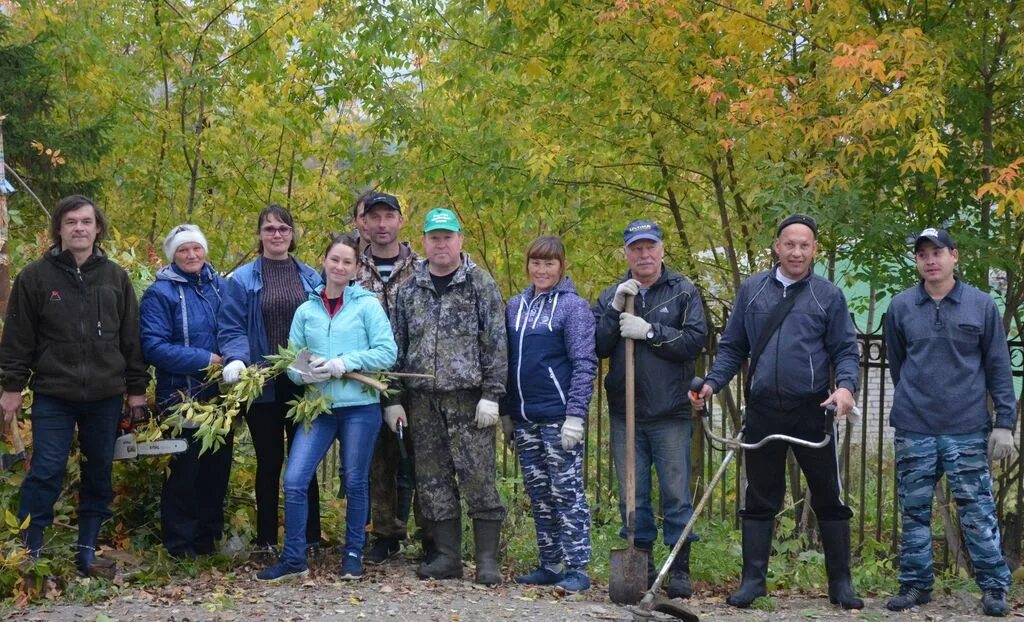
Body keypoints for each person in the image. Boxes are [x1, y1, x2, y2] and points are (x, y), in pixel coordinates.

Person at [690, 214, 862, 609]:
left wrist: (846, 389)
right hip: (763, 410)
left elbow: (845, 351)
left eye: (805, 245)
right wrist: (713, 383)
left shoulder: (828, 296)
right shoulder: (752, 291)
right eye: (790, 244)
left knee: (828, 497)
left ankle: (841, 585)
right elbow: (733, 346)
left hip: (812, 410)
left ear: (814, 250)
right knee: (760, 496)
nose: (797, 251)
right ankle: (753, 582)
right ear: (777, 247)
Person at [0, 194, 149, 575]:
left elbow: (131, 339)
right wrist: (11, 388)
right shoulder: (35, 277)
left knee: (99, 470)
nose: (79, 228)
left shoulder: (115, 277)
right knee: (46, 468)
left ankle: (86, 551)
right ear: (60, 229)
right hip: (55, 393)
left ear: (98, 228)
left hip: (105, 394)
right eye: (71, 222)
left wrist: (136, 390)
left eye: (86, 221)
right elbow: (18, 339)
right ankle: (30, 552)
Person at [883, 228, 1016, 617]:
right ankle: (916, 585)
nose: (930, 260)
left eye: (937, 252)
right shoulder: (901, 307)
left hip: (967, 429)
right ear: (917, 261)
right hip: (914, 427)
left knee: (977, 512)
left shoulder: (980, 305)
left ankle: (993, 587)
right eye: (922, 254)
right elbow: (898, 364)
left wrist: (1004, 423)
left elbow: (998, 367)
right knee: (913, 512)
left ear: (954, 256)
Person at [257, 235, 397, 582]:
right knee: (294, 479)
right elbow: (291, 360)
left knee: (354, 479)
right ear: (324, 260)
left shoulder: (367, 306)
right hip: (317, 407)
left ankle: (352, 554)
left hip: (359, 408)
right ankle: (294, 559)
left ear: (355, 269)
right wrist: (307, 373)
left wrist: (344, 362)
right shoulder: (306, 310)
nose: (339, 267)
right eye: (334, 260)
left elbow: (386, 352)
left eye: (347, 262)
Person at [386, 208, 508, 584]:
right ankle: (447, 557)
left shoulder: (480, 284)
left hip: (469, 400)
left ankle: (487, 560)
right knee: (433, 481)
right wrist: (392, 399)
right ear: (424, 241)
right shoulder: (409, 289)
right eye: (434, 237)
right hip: (422, 401)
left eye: (447, 236)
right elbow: (395, 347)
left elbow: (496, 342)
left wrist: (493, 394)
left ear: (460, 240)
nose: (441, 243)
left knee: (479, 477)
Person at [593, 219, 707, 599]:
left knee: (675, 495)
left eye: (649, 247)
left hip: (670, 412)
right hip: (627, 414)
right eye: (635, 248)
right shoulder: (615, 293)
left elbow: (694, 342)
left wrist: (651, 332)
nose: (643, 254)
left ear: (661, 249)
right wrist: (613, 312)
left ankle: (678, 570)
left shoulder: (683, 292)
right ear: (626, 253)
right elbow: (598, 346)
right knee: (633, 496)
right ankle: (640, 566)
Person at [218, 204, 323, 558]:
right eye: (269, 229)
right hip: (261, 381)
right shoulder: (244, 280)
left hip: (303, 381)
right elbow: (231, 325)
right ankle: (265, 540)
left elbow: (323, 325)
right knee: (269, 461)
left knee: (304, 460)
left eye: (283, 228)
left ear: (292, 235)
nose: (277, 234)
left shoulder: (311, 278)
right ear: (260, 235)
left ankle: (310, 537)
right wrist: (236, 358)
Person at [502, 236, 597, 593]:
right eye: (536, 263)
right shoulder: (514, 306)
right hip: (526, 418)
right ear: (527, 265)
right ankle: (551, 563)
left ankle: (577, 567)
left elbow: (585, 363)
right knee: (539, 494)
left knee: (566, 492)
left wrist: (576, 415)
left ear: (562, 266)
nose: (542, 270)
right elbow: (509, 363)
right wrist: (508, 412)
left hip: (559, 419)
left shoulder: (573, 308)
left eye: (550, 263)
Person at [139, 224, 230, 559]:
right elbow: (153, 347)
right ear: (173, 255)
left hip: (221, 399)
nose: (191, 255)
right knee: (185, 472)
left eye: (196, 249)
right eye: (183, 250)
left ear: (205, 250)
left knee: (216, 470)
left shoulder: (221, 287)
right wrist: (205, 360)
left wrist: (235, 359)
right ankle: (180, 546)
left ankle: (208, 542)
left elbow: (234, 329)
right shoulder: (160, 294)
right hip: (180, 397)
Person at [353, 192, 425, 564]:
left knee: (419, 461)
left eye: (389, 216)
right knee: (378, 463)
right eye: (374, 217)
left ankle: (428, 535)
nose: (382, 224)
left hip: (417, 378)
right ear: (364, 222)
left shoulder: (423, 266)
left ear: (401, 220)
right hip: (367, 378)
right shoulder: (351, 267)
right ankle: (384, 535)